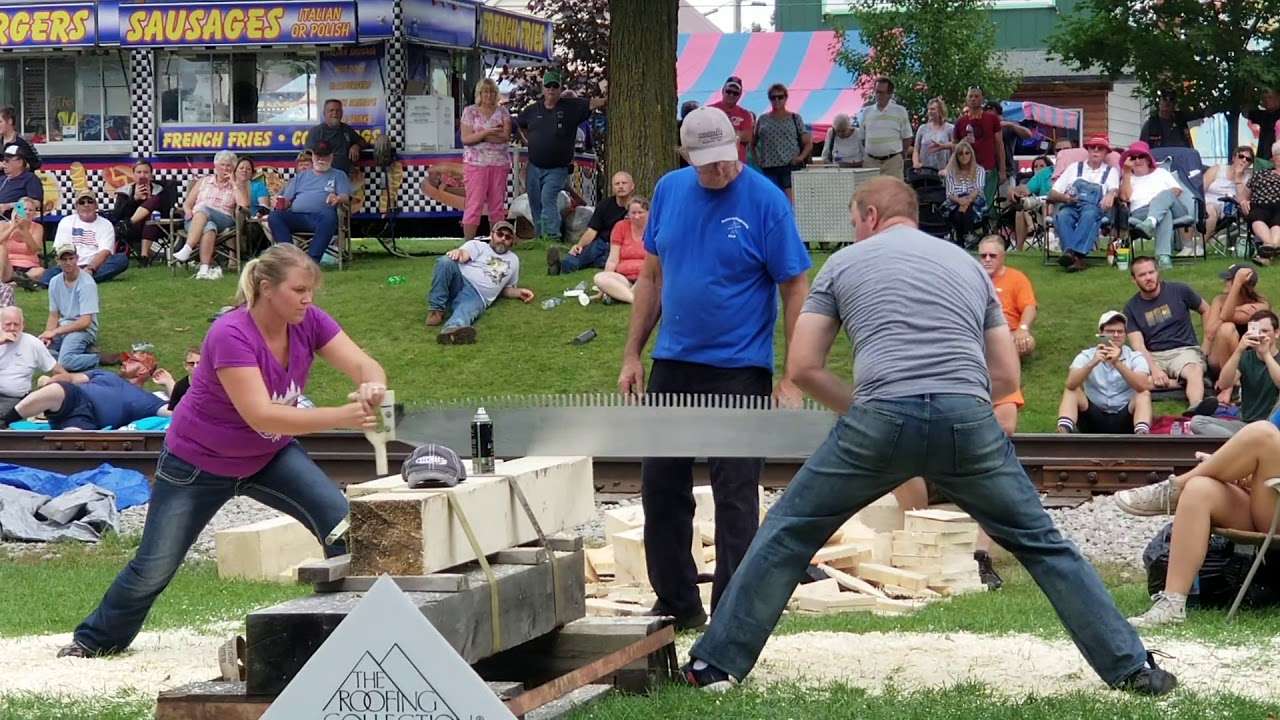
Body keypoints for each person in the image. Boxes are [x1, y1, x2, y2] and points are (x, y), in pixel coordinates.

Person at [679, 175, 1176, 696]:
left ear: (869, 216)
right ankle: (1131, 667)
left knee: (787, 531)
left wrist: (868, 411)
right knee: (1044, 544)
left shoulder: (843, 264)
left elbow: (803, 367)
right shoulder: (969, 267)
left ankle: (715, 665)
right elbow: (1006, 377)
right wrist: (953, 409)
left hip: (878, 419)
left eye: (854, 223)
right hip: (968, 420)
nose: (855, 233)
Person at [57, 243, 388, 658]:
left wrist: (372, 383)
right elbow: (261, 415)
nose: (308, 299)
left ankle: (357, 628)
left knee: (342, 527)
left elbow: (364, 364)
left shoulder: (310, 321)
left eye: (311, 291)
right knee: (154, 567)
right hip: (197, 462)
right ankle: (93, 640)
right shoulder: (230, 333)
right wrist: (342, 415)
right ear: (267, 288)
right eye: (299, 290)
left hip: (268, 456)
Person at [619, 106, 812, 631]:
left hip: (739, 369)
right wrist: (633, 353)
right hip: (673, 363)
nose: (718, 171)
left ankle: (731, 611)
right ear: (687, 156)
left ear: (738, 146)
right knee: (660, 487)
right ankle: (677, 604)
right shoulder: (669, 191)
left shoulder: (767, 202)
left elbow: (795, 286)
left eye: (725, 160)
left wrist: (791, 375)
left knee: (735, 496)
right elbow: (652, 276)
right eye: (706, 164)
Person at [1114, 421, 1280, 626]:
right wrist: (1240, 470)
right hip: (1271, 503)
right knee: (1199, 489)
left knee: (1263, 433)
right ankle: (1172, 605)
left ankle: (1173, 489)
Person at [425, 221, 535, 345]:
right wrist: (458, 253)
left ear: (511, 242)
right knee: (445, 262)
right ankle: (436, 310)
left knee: (466, 309)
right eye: (500, 234)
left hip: (478, 295)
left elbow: (504, 289)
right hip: (459, 281)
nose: (503, 239)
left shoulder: (514, 260)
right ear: (492, 234)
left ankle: (452, 331)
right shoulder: (478, 245)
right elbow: (463, 254)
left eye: (508, 237)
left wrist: (519, 292)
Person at [5, 352, 168, 431]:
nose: (125, 361)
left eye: (133, 360)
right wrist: (52, 380)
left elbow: (179, 411)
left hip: (88, 420)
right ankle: (4, 422)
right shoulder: (105, 373)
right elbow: (72, 379)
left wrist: (169, 382)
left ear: (144, 370)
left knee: (73, 440)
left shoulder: (147, 400)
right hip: (73, 397)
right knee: (56, 390)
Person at [1056, 311, 1154, 435]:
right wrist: (1093, 363)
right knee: (1072, 391)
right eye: (1110, 331)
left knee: (1143, 394)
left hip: (1125, 417)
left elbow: (1142, 386)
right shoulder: (1087, 355)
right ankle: (1063, 432)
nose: (1116, 335)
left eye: (1120, 331)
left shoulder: (1135, 357)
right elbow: (1070, 383)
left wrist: (1117, 363)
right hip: (1094, 416)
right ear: (1101, 333)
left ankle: (1141, 434)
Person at [459, 78, 512, 241]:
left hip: (499, 163)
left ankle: (497, 243)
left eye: (491, 92)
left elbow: (505, 137)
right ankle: (468, 244)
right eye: (485, 92)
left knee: (497, 206)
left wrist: (479, 137)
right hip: (475, 164)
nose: (488, 95)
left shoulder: (503, 112)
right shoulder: (470, 111)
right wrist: (488, 133)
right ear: (479, 94)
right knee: (474, 204)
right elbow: (466, 139)